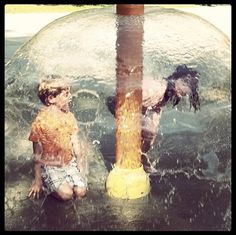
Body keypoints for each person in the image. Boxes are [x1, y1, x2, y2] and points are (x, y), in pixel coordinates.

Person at [106, 64, 200, 173]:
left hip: (135, 104)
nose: (186, 93)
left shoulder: (165, 94)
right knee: (140, 131)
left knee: (149, 135)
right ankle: (125, 162)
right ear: (178, 79)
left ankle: (139, 162)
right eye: (186, 84)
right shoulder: (156, 89)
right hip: (117, 100)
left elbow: (155, 111)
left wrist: (149, 136)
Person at [28, 76, 87, 201]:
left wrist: (80, 163)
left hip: (69, 163)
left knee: (81, 192)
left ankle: (62, 183)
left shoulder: (69, 116)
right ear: (51, 98)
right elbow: (37, 154)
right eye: (66, 94)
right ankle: (46, 180)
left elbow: (75, 142)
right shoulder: (40, 122)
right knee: (67, 195)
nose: (70, 96)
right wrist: (37, 180)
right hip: (51, 165)